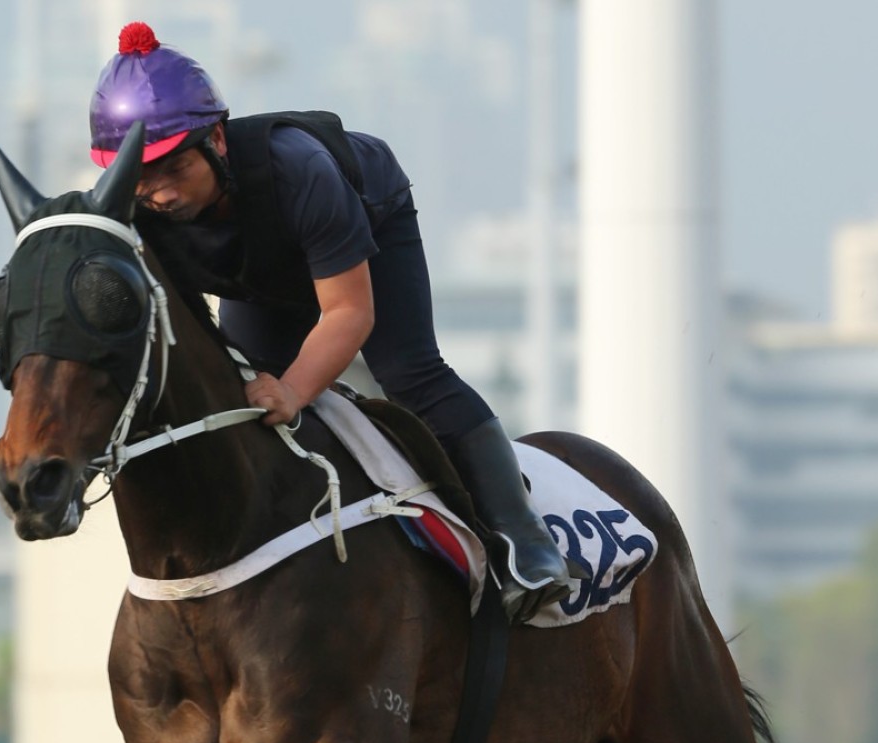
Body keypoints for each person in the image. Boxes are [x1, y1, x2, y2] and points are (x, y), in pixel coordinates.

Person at [88, 21, 580, 623]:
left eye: (170, 170)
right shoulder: (134, 211)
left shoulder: (298, 171)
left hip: (368, 219)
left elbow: (349, 312)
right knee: (243, 398)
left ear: (216, 138)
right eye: (139, 177)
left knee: (409, 372)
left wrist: (294, 389)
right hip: (261, 269)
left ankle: (523, 537)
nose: (157, 194)